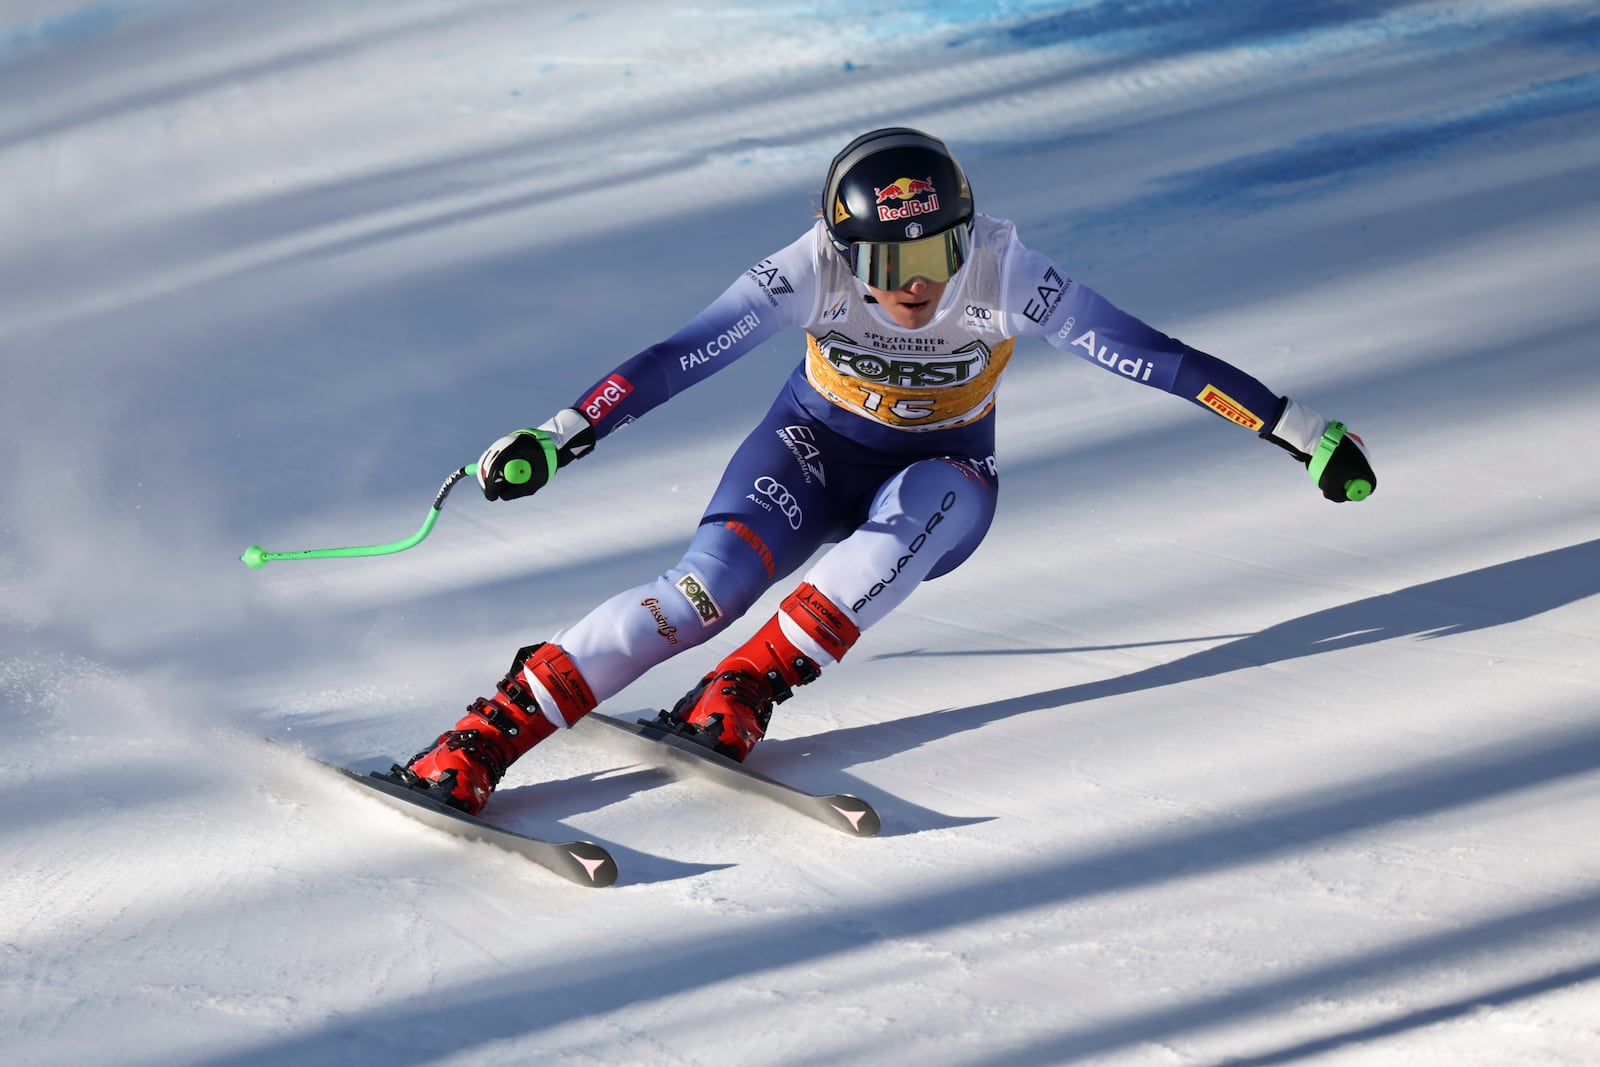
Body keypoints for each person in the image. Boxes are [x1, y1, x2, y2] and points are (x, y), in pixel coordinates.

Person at [388, 127, 1377, 816]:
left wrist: (1301, 430)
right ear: (841, 248)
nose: (921, 283)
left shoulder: (1006, 272)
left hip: (939, 471)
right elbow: (681, 355)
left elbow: (1154, 356)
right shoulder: (805, 266)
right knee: (698, 595)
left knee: (924, 507)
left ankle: (747, 684)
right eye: (891, 261)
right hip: (807, 451)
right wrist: (559, 435)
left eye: (941, 249)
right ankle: (489, 729)